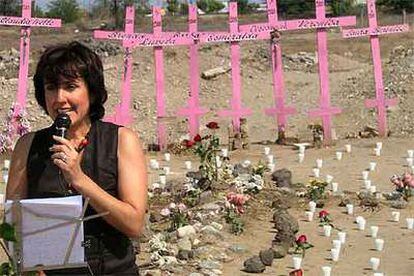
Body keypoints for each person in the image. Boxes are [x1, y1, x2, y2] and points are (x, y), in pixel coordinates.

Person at [6, 41, 148, 275]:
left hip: (113, 270)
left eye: (71, 87)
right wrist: (26, 265)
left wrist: (79, 179)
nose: (59, 98)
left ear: (91, 91)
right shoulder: (28, 146)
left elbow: (134, 224)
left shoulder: (121, 140)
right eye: (51, 87)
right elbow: (13, 225)